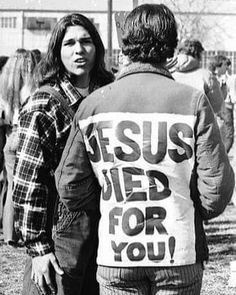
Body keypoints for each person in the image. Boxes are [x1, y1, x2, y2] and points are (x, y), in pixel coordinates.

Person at [55, 4, 235, 295]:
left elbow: (70, 186)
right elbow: (216, 190)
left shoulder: (93, 105)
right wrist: (186, 207)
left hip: (117, 252)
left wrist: (110, 199)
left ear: (126, 45)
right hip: (179, 252)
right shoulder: (193, 102)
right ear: (171, 46)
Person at [13, 13, 113, 295]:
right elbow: (29, 181)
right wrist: (38, 249)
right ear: (57, 51)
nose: (79, 50)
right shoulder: (45, 103)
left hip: (105, 225)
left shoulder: (109, 94)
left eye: (86, 41)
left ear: (97, 47)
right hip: (61, 229)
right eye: (69, 43)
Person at [0, 49, 37, 246]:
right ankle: (25, 229)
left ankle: (9, 235)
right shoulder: (32, 89)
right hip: (26, 136)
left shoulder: (4, 89)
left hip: (10, 137)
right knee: (28, 187)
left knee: (12, 186)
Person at [208, 55, 234, 153]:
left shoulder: (218, 78)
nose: (227, 68)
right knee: (227, 136)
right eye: (225, 65)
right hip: (218, 112)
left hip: (219, 111)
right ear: (218, 65)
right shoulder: (211, 79)